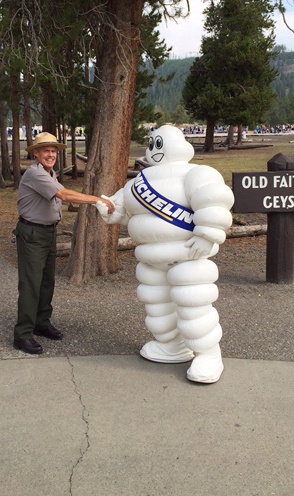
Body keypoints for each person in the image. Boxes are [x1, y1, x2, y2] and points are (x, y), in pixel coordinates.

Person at [96, 125, 234, 384]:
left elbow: (214, 199)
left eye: (160, 144)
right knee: (157, 306)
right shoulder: (137, 183)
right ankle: (171, 345)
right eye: (152, 144)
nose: (154, 150)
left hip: (188, 255)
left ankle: (208, 354)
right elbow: (125, 212)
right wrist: (110, 211)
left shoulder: (196, 174)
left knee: (193, 306)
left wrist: (207, 233)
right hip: (151, 259)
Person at [13, 132, 115, 354]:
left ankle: (41, 323)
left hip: (47, 232)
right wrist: (97, 200)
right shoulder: (35, 173)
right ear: (36, 153)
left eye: (53, 151)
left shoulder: (49, 173)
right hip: (32, 234)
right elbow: (65, 196)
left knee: (46, 282)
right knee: (31, 284)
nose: (50, 154)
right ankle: (23, 334)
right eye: (46, 151)